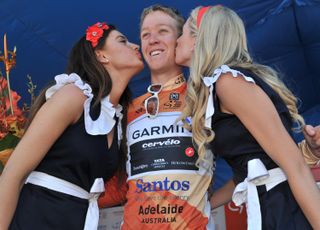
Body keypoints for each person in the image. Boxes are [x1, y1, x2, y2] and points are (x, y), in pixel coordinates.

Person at [177, 5, 320, 229]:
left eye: (182, 33)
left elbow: (295, 166)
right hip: (267, 207)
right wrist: (201, 205)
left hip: (284, 209)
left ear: (198, 39)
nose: (177, 40)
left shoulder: (229, 82)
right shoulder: (218, 88)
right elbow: (249, 172)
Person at [0, 21, 143, 229]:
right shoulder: (73, 96)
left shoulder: (116, 120)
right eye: (123, 41)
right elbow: (13, 174)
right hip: (38, 217)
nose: (135, 46)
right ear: (101, 56)